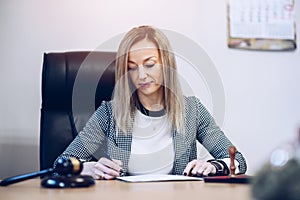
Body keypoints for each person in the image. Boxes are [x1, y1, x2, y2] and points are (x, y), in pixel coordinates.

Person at [55, 25, 247, 180]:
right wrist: (87, 168)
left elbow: (238, 160)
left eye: (149, 65)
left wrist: (214, 166)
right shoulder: (109, 113)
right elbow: (60, 163)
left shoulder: (192, 110)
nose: (141, 75)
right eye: (132, 68)